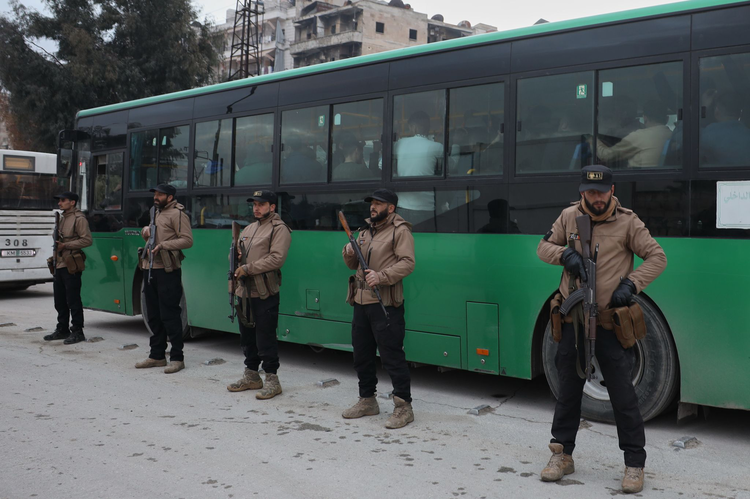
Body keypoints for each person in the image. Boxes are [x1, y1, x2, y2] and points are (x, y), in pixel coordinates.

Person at [536, 165, 667, 494]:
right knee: (568, 391)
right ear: (582, 191)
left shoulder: (628, 221)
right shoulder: (569, 217)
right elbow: (542, 248)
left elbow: (657, 257)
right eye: (590, 192)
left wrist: (631, 284)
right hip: (572, 320)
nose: (596, 198)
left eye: (602, 192)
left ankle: (634, 463)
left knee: (623, 395)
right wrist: (565, 255)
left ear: (612, 190)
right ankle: (562, 454)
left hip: (609, 322)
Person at [341, 189, 416, 429]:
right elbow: (352, 264)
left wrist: (381, 276)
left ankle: (403, 407)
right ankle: (367, 400)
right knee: (361, 355)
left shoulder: (400, 231)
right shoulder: (364, 231)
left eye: (378, 203)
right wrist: (348, 252)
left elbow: (408, 263)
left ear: (391, 208)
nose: (372, 207)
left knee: (392, 357)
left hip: (385, 304)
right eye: (371, 203)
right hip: (360, 301)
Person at [227, 190, 292, 400]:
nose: (256, 208)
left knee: (265, 337)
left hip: (265, 292)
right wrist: (236, 257)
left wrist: (248, 268)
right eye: (254, 204)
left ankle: (272, 380)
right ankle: (252, 376)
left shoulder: (279, 229)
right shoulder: (248, 229)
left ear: (272, 207)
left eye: (261, 204)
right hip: (244, 291)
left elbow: (276, 259)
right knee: (247, 337)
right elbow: (235, 254)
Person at [135, 184, 193, 374]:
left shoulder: (178, 214)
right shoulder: (155, 212)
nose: (156, 197)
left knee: (170, 315)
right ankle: (157, 355)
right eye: (155, 194)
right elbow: (150, 236)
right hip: (149, 268)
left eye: (160, 194)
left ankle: (177, 358)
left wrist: (164, 245)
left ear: (170, 197)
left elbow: (187, 240)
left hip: (167, 270)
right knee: (153, 314)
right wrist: (145, 231)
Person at [43, 191, 92, 345]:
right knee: (60, 300)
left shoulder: (79, 218)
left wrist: (66, 245)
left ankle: (77, 331)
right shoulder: (62, 217)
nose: (59, 203)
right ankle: (62, 328)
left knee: (73, 300)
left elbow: (87, 240)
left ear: (72, 202)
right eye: (59, 200)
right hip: (58, 263)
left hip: (71, 264)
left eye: (63, 200)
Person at [393, 111, 442, 224]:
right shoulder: (437, 147)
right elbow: (451, 168)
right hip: (426, 208)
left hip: (402, 207)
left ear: (413, 127)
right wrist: (455, 146)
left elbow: (382, 165)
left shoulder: (399, 144)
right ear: (428, 127)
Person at [595, 100, 672, 168]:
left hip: (638, 178)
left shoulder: (639, 136)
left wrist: (592, 139)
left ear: (645, 118)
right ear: (667, 119)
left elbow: (605, 156)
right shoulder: (672, 136)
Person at [699, 92, 750, 166]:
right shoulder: (748, 136)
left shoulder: (706, 135)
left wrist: (704, 107)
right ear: (740, 113)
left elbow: (684, 138)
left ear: (716, 112)